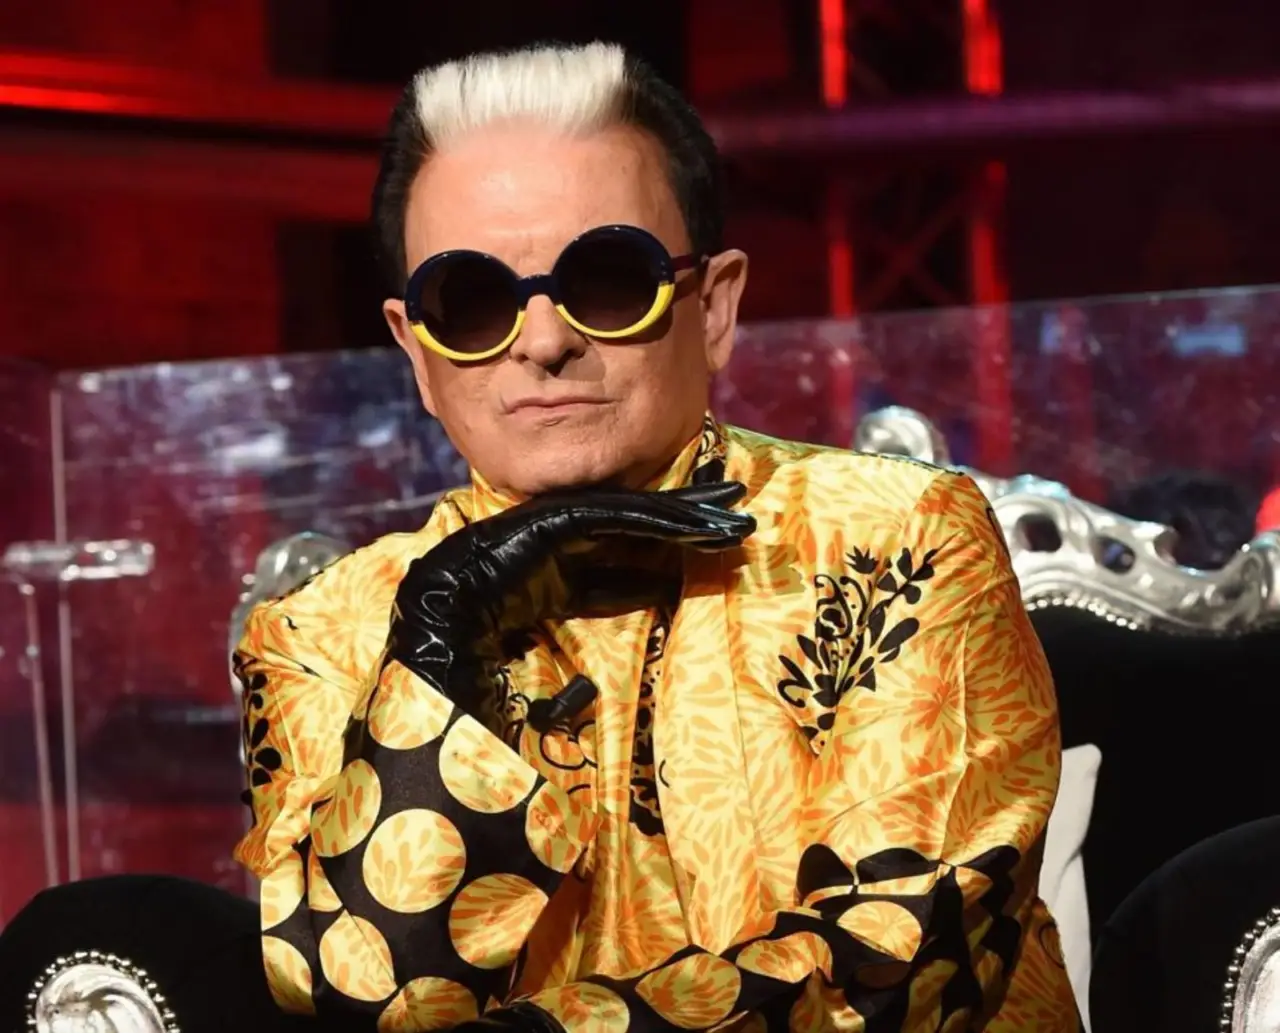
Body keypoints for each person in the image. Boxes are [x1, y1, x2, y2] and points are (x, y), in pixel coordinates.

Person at [0, 41, 1079, 1033]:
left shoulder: (893, 541)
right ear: (415, 352)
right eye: (472, 300)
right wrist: (440, 653)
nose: (545, 341)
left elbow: (900, 956)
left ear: (712, 307)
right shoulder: (326, 632)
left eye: (607, 282)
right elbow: (367, 995)